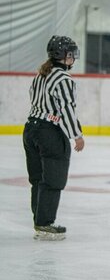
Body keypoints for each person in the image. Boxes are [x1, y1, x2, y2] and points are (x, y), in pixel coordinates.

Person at [23, 36, 85, 240]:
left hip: (30, 129)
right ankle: (45, 223)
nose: (73, 58)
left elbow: (34, 98)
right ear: (62, 56)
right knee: (53, 179)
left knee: (38, 179)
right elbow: (66, 109)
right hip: (49, 133)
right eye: (70, 54)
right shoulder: (64, 79)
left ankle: (39, 220)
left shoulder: (41, 74)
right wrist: (76, 135)